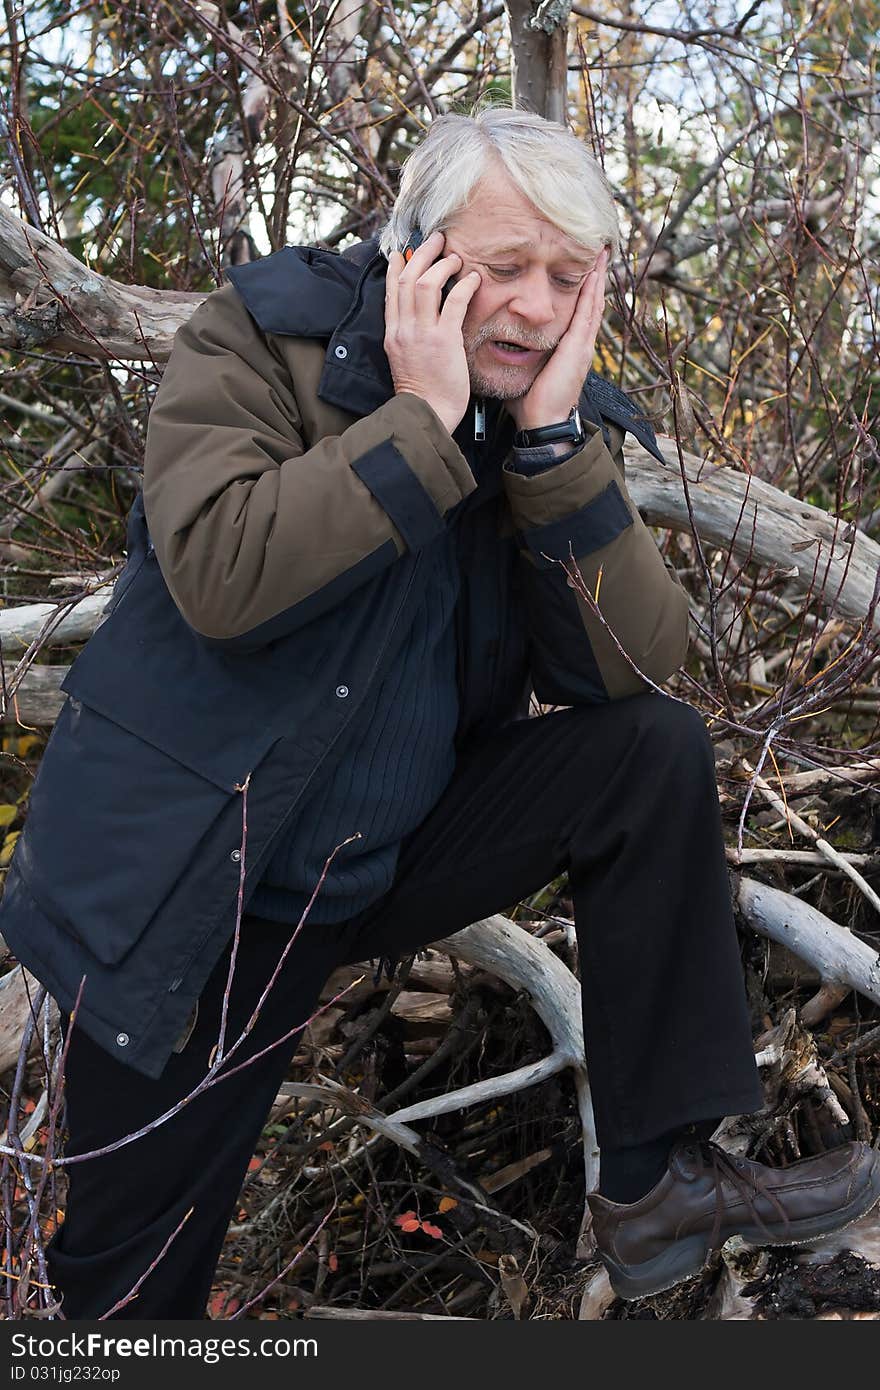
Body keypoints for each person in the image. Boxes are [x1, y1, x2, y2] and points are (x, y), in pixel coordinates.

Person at [2, 106, 878, 1320]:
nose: (532, 307)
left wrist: (556, 449)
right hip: (194, 884)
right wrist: (415, 422)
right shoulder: (261, 339)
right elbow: (218, 574)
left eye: (566, 277)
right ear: (413, 251)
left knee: (646, 754)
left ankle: (657, 1183)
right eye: (501, 266)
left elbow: (632, 666)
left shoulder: (544, 415)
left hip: (372, 862)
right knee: (133, 1294)